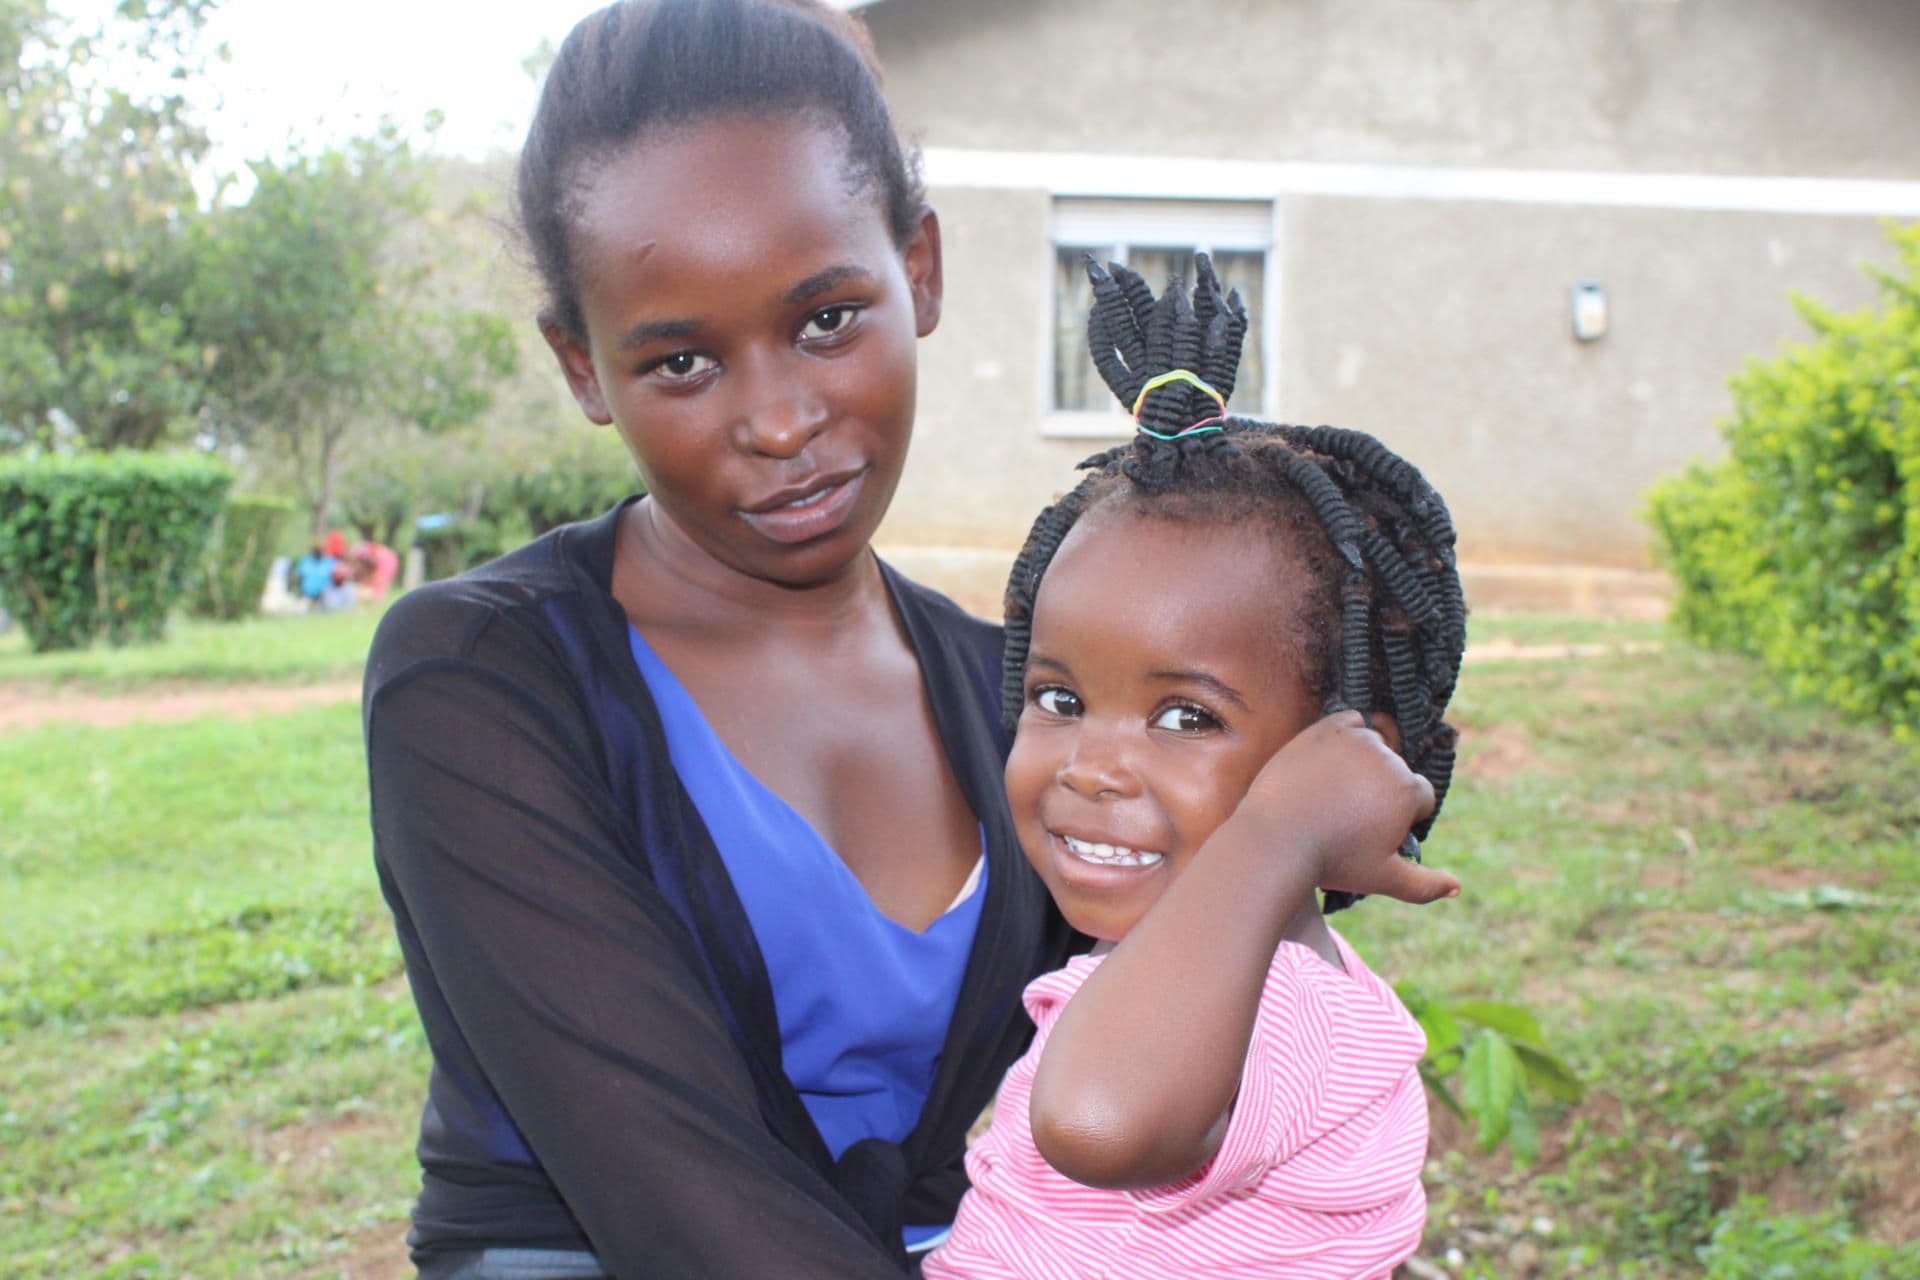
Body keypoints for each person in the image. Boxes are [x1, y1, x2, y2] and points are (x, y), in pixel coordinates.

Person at [361, 2, 1076, 1277]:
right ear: (583, 367)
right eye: (683, 361)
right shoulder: (480, 680)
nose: (780, 419)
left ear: (919, 269)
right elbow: (672, 1187)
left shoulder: (1014, 685)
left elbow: (1180, 1045)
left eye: (824, 320)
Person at [921, 257, 1468, 1279]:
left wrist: (1276, 833)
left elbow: (1096, 1119)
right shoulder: (1204, 973)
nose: (1091, 765)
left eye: (1184, 714)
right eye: (1060, 697)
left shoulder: (1280, 1006)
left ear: (1347, 761)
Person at [292, 541, 337, 608]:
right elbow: (298, 578)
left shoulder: (330, 562)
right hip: (306, 596)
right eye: (316, 548)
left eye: (320, 548)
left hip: (324, 598)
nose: (318, 551)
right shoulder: (304, 561)